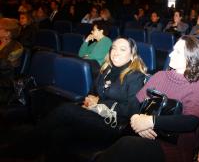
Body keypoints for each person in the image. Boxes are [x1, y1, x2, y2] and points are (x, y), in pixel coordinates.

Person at [0, 38, 147, 161]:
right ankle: (29, 152)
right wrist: (91, 100)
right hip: (95, 115)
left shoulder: (136, 76)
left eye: (122, 49)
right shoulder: (106, 69)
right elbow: (94, 92)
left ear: (132, 55)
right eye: (114, 48)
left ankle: (21, 148)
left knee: (66, 109)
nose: (115, 52)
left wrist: (100, 103)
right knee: (58, 135)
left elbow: (132, 110)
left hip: (114, 126)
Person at [95, 35, 199, 162]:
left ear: (191, 56)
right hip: (144, 135)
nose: (171, 54)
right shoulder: (160, 75)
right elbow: (136, 104)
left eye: (178, 51)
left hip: (174, 146)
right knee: (122, 142)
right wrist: (136, 120)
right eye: (173, 50)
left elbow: (190, 122)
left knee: (127, 145)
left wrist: (150, 122)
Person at [0, 18, 23, 102]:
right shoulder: (1, 42)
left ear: (8, 33)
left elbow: (7, 68)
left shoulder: (16, 48)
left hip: (5, 84)